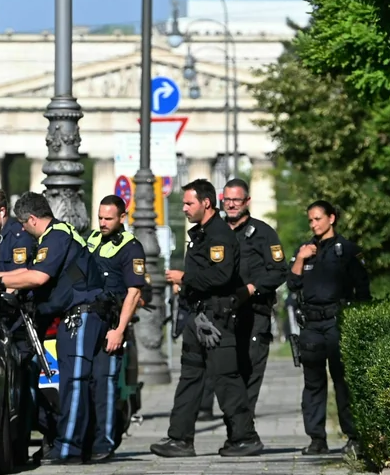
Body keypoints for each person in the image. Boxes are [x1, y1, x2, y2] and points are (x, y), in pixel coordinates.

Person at [0, 193, 110, 464]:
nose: (22, 229)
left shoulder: (56, 236)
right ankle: (74, 443)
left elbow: (38, 277)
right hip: (74, 315)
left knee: (74, 382)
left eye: (22, 224)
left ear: (32, 219)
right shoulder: (55, 235)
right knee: (74, 381)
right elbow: (30, 271)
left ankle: (69, 447)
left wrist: (0, 284)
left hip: (82, 314)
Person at [154, 179, 263, 458]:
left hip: (217, 318)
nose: (184, 208)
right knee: (190, 377)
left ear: (206, 203)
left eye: (189, 203)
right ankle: (179, 438)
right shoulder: (201, 234)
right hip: (198, 315)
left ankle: (244, 438)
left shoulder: (219, 235)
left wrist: (185, 278)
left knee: (226, 378)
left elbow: (221, 276)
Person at [286, 200, 371, 456]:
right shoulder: (305, 250)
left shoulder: (347, 250)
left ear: (331, 218)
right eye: (310, 220)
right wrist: (301, 258)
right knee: (313, 383)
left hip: (337, 321)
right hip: (311, 325)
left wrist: (359, 323)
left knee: (342, 381)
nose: (313, 224)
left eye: (318, 219)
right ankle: (317, 439)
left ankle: (353, 437)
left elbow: (363, 289)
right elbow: (292, 284)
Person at [198, 178, 288, 420]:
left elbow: (280, 271)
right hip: (221, 314)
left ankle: (243, 426)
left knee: (250, 370)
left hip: (254, 312)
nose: (231, 204)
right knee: (219, 368)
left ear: (247, 201)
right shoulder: (212, 232)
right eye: (227, 200)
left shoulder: (263, 233)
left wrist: (252, 288)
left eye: (236, 200)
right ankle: (215, 413)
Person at [0, 187, 48, 458]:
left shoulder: (19, 235)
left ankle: (21, 445)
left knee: (23, 382)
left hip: (17, 319)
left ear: (2, 212)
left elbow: (25, 273)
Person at [86, 195, 147, 457]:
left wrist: (119, 330)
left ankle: (105, 442)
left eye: (108, 219)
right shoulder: (91, 240)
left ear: (122, 217)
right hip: (88, 322)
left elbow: (134, 293)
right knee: (84, 382)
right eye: (100, 217)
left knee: (104, 382)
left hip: (112, 325)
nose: (102, 223)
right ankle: (84, 440)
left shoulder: (131, 248)